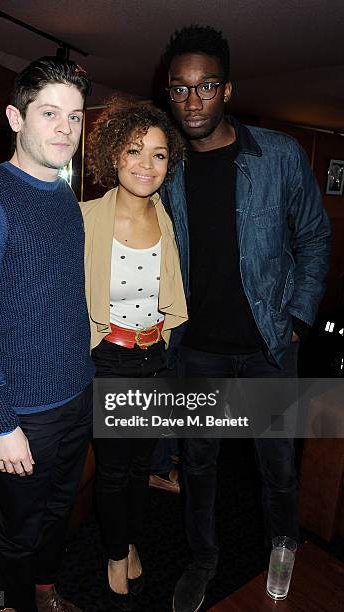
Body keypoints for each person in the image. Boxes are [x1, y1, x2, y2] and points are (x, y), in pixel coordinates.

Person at [159, 25, 331, 612]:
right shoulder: (167, 167)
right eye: (180, 89)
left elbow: (313, 239)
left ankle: (283, 553)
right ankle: (202, 560)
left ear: (227, 89)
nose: (192, 100)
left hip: (268, 346)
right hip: (197, 351)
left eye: (205, 86)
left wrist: (299, 320)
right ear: (169, 93)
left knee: (278, 467)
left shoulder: (278, 155)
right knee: (199, 465)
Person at [0, 56, 94, 612]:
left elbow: (61, 299)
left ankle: (44, 589)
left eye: (75, 116)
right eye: (49, 113)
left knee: (58, 513)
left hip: (76, 394)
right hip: (23, 411)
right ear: (16, 117)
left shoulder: (63, 196)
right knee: (21, 527)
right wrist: (2, 422)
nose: (65, 128)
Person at [83, 99, 187, 610]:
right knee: (113, 471)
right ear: (113, 156)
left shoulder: (172, 225)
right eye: (134, 150)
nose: (147, 164)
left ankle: (125, 540)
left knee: (142, 465)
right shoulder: (83, 220)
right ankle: (114, 551)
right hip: (109, 358)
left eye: (160, 154)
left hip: (156, 360)